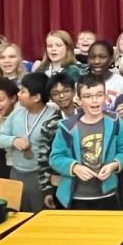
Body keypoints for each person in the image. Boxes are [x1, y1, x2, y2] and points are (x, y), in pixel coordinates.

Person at [48, 73, 123, 245]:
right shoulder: (67, 127)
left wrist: (115, 164)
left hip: (105, 196)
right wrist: (74, 167)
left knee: (103, 244)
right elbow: (55, 158)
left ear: (106, 97)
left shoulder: (115, 123)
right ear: (79, 100)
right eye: (88, 96)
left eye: (98, 95)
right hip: (76, 198)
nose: (94, 101)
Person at [0, 73, 53, 212]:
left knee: (39, 213)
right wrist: (13, 140)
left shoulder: (52, 116)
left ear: (36, 97)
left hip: (40, 176)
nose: (18, 94)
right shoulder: (18, 112)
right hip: (16, 173)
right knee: (17, 211)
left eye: (23, 91)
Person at [36, 73, 78, 211]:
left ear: (74, 91)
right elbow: (43, 159)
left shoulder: (88, 115)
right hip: (61, 183)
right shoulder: (50, 125)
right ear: (50, 97)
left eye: (66, 91)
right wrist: (47, 190)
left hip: (89, 182)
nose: (61, 96)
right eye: (56, 93)